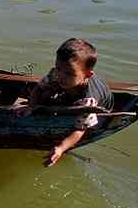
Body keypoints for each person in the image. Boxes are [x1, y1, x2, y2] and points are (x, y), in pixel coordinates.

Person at [17, 38, 113, 167]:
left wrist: (61, 148)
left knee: (80, 119)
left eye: (69, 73)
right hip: (72, 92)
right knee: (47, 91)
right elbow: (38, 89)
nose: (61, 76)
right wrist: (31, 107)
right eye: (58, 68)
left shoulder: (89, 100)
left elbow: (79, 130)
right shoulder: (57, 74)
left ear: (87, 75)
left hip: (97, 111)